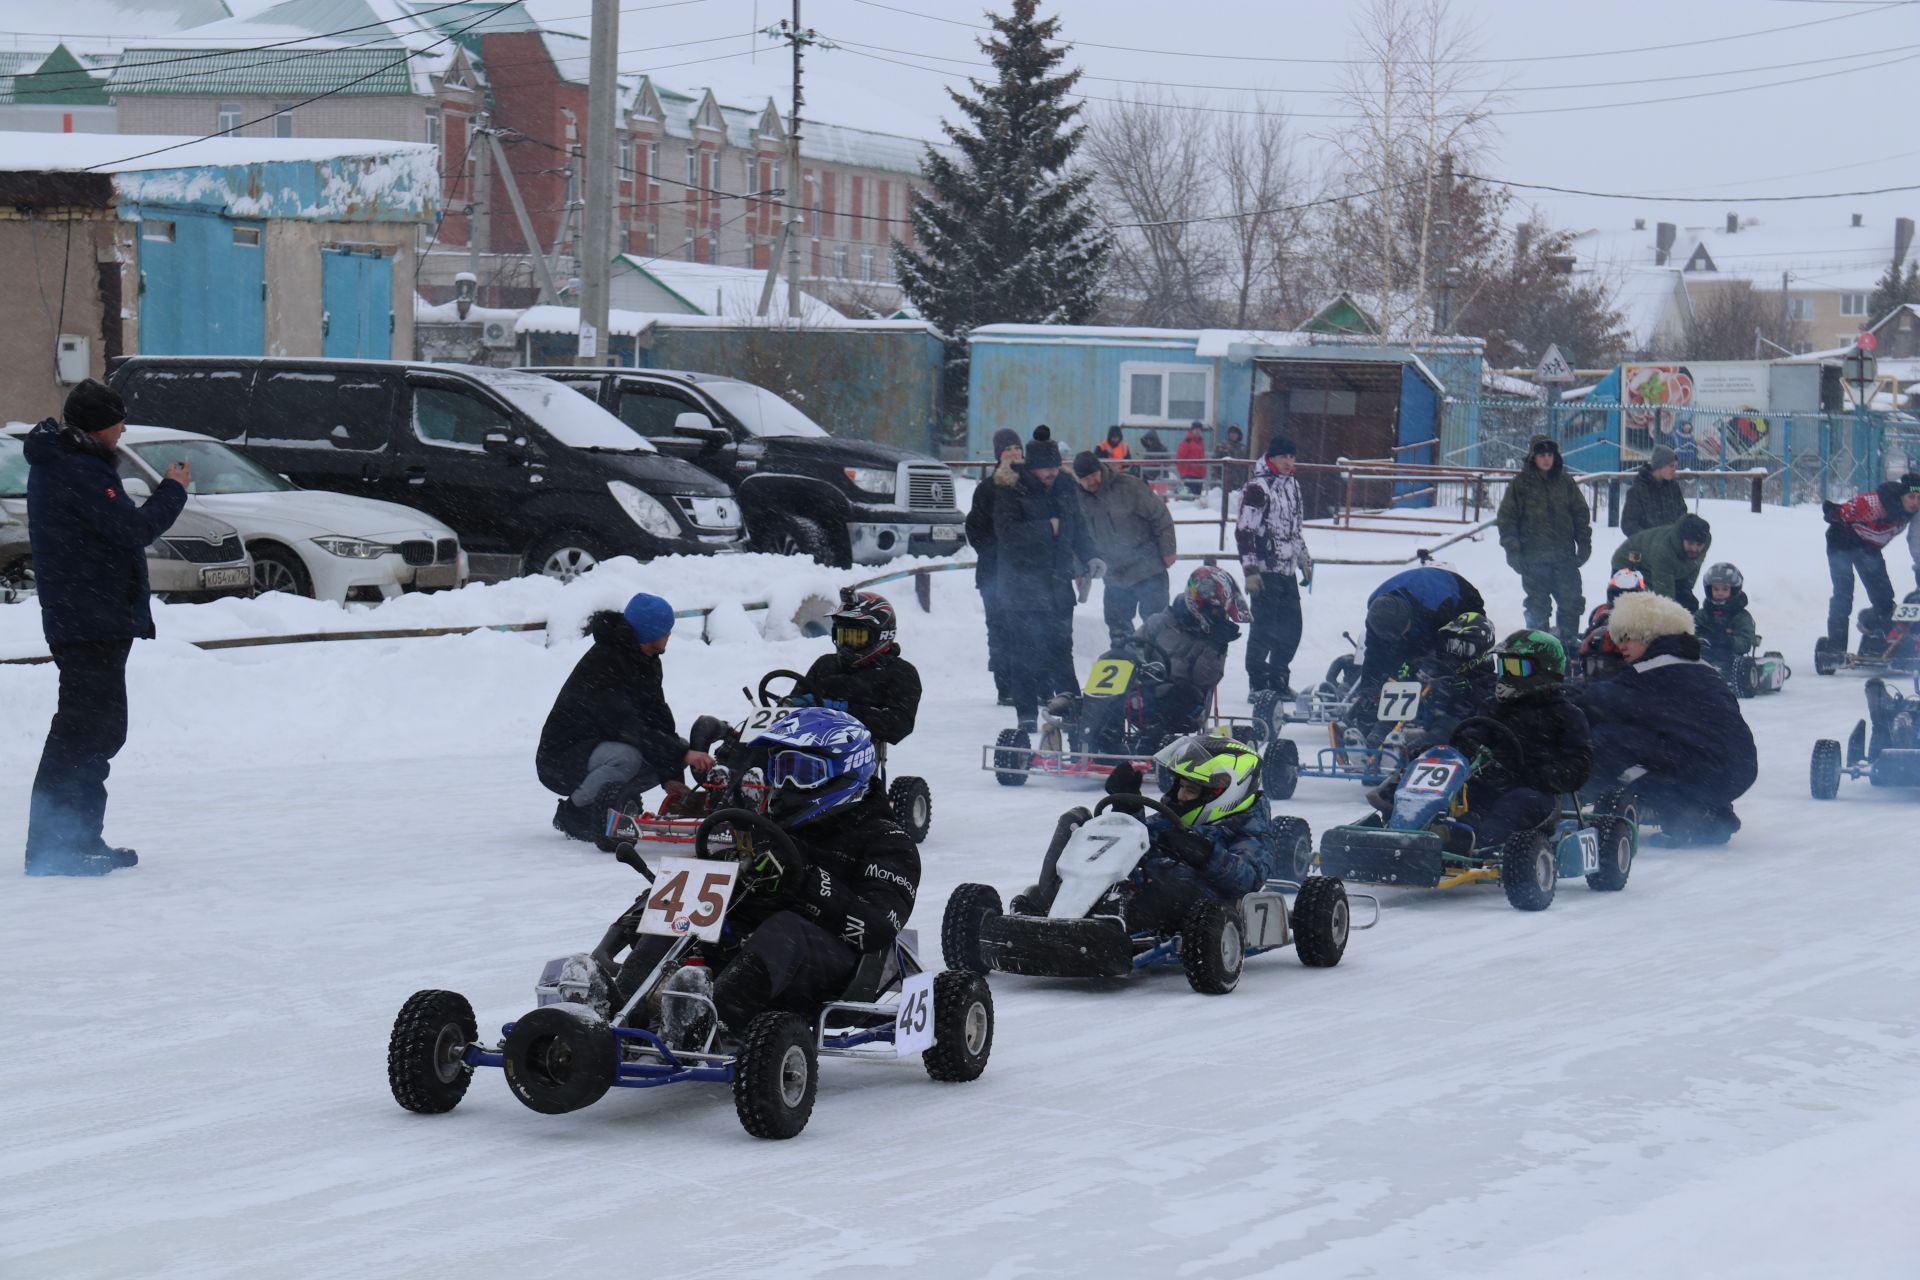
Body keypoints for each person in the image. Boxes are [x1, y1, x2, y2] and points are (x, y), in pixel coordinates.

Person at [22, 379, 191, 876]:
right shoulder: (77, 470)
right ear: (98, 426)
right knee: (84, 735)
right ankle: (58, 848)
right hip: (88, 620)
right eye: (118, 420)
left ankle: (76, 841)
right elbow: (132, 529)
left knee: (92, 732)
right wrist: (172, 490)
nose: (123, 429)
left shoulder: (68, 463)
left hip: (90, 618)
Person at [1023, 734, 1275, 931]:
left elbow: (1248, 879)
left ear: (1223, 794)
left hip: (1199, 903)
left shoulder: (1249, 830)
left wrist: (1204, 853)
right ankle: (1050, 900)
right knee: (1075, 820)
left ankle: (1107, 922)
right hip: (1137, 891)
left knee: (1159, 875)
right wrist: (1128, 806)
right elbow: (1139, 838)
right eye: (1180, 786)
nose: (1180, 795)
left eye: (1191, 790)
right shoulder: (1174, 816)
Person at [1574, 591, 1757, 845]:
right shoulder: (1695, 664)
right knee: (1646, 743)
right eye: (1619, 639)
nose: (1622, 646)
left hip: (1707, 768)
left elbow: (1597, 701)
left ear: (1649, 634)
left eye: (1628, 637)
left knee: (1606, 740)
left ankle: (1574, 800)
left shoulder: (1653, 670)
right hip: (1734, 769)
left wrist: (1553, 698)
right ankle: (1706, 815)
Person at [538, 592, 715, 843]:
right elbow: (627, 727)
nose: (669, 635)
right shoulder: (605, 662)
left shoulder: (647, 659)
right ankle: (574, 813)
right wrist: (682, 753)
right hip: (560, 759)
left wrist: (671, 775)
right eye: (665, 630)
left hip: (602, 747)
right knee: (628, 757)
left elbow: (658, 718)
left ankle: (607, 806)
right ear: (650, 633)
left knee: (667, 750)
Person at [1434, 630, 1593, 850]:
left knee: (1515, 804)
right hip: (1489, 783)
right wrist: (1439, 756)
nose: (1506, 674)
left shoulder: (1566, 714)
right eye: (1503, 667)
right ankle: (1417, 830)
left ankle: (1473, 842)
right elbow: (1470, 740)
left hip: (1538, 793)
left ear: (1544, 671)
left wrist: (1532, 774)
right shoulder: (1493, 707)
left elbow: (1578, 765)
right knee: (1452, 794)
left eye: (1516, 668)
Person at [993, 437, 1093, 731]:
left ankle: (1072, 715)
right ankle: (1026, 717)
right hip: (1021, 588)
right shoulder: (1010, 490)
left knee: (1061, 650)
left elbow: (1079, 529)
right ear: (1033, 467)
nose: (1052, 472)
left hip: (1058, 587)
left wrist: (1092, 556)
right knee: (1024, 653)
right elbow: (1007, 534)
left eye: (1056, 466)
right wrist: (1046, 528)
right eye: (1046, 468)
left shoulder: (1065, 487)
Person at [1352, 565, 1485, 729]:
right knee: (1397, 660)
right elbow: (1374, 654)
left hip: (1457, 597)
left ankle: (1467, 707)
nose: (1400, 638)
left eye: (1402, 633)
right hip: (1417, 602)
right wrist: (1369, 689)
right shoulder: (1376, 616)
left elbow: (1447, 653)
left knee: (1461, 662)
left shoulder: (1439, 608)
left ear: (1410, 619)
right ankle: (1391, 716)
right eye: (1394, 636)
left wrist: (1441, 676)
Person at [1234, 434, 1313, 702]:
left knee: (1292, 627)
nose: (1289, 462)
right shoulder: (1258, 488)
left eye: (1292, 457)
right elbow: (1244, 532)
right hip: (1265, 571)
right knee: (1264, 630)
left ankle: (1279, 679)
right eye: (1283, 457)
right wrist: (1251, 571)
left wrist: (1304, 558)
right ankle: (1258, 683)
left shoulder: (1293, 486)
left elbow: (1295, 529)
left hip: (1287, 570)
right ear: (1271, 458)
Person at [1131, 566, 1250, 742]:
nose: (1220, 617)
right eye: (1217, 611)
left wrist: (1216, 645)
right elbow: (1131, 649)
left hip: (1185, 705)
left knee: (1179, 693)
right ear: (1200, 603)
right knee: (1115, 690)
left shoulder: (1213, 639)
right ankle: (1093, 738)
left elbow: (1203, 679)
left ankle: (1153, 743)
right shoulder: (1159, 622)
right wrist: (1138, 665)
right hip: (1145, 691)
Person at [1072, 450, 1178, 645]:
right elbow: (1076, 539)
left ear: (1100, 470)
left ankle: (1159, 666)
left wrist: (1168, 549)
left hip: (1148, 567)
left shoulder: (1129, 487)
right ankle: (1124, 662)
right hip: (1114, 575)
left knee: (1157, 624)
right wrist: (1080, 571)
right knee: (1118, 627)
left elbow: (1160, 516)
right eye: (1085, 479)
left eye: (1093, 475)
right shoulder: (1078, 501)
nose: (1091, 481)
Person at [1495, 435, 1591, 642]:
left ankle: (1568, 647)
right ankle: (1540, 650)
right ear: (1533, 457)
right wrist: (1514, 551)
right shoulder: (1520, 485)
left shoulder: (1565, 482)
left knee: (1571, 603)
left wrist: (1584, 544)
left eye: (1550, 455)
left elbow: (1580, 514)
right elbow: (1507, 520)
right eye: (1541, 455)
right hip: (1533, 559)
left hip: (1564, 558)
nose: (1546, 459)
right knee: (1537, 608)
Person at [798, 590, 922, 747]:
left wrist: (842, 711)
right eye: (843, 637)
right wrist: (790, 704)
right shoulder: (825, 665)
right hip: (806, 747)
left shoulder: (900, 672)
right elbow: (791, 707)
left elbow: (898, 725)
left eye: (856, 638)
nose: (847, 646)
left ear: (881, 636)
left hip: (855, 757)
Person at [1822, 474, 1920, 654]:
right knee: (1843, 595)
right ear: (1901, 496)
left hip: (1868, 548)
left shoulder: (1911, 514)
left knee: (1883, 596)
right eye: (1911, 497)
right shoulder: (1875, 505)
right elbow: (1836, 512)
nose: (1915, 502)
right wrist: (1836, 513)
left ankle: (1879, 634)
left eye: (1919, 498)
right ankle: (1835, 648)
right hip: (1841, 544)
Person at [967, 428, 1023, 704]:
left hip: (1026, 575)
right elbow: (974, 530)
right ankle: (1005, 686)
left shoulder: (1031, 484)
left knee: (1026, 629)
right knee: (1000, 631)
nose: (1013, 453)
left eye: (1016, 447)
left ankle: (1029, 684)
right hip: (994, 574)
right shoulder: (987, 489)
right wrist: (996, 553)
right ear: (998, 455)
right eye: (1007, 449)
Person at [1411, 611, 1498, 742]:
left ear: (1482, 651)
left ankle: (1413, 752)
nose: (1457, 652)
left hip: (1453, 729)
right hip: (1416, 717)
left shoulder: (1490, 680)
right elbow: (1423, 667)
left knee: (1440, 731)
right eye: (1454, 645)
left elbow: (1493, 706)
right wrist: (1409, 673)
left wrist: (1471, 691)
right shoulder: (1438, 664)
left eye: (1464, 647)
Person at [1611, 513, 1712, 610]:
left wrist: (1685, 591)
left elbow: (1692, 569)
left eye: (1698, 545)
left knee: (1688, 603)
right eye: (1690, 543)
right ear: (1682, 539)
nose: (1694, 549)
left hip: (1654, 566)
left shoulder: (1701, 547)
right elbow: (1663, 591)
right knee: (1635, 602)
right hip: (1630, 560)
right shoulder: (1664, 550)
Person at [1577, 567, 1648, 681]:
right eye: (1617, 595)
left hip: (1634, 675)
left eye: (1629, 596)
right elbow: (1586, 643)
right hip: (1600, 673)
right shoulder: (1600, 612)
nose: (1622, 601)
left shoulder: (1649, 616)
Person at [1693, 562, 1757, 680]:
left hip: (1730, 657)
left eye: (1725, 589)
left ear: (1733, 590)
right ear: (1709, 590)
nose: (1720, 593)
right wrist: (1700, 639)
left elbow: (1745, 642)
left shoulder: (1741, 616)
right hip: (1704, 654)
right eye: (1716, 589)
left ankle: (1714, 677)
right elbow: (1690, 631)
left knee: (1722, 663)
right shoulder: (1702, 615)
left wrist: (1727, 640)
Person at [1621, 444, 1686, 537]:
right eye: (1671, 466)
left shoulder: (1673, 487)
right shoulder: (1638, 490)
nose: (1674, 469)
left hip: (1671, 546)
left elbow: (1682, 515)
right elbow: (1628, 524)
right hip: (1646, 548)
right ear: (1660, 466)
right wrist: (1649, 539)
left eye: (1675, 466)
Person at [1175, 422, 1209, 498]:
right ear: (1192, 430)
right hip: (1189, 474)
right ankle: (1179, 502)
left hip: (1199, 475)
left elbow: (1202, 457)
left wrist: (1203, 472)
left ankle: (1180, 500)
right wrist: (1183, 472)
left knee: (1196, 497)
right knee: (1186, 496)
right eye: (1196, 429)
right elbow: (1180, 458)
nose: (1198, 431)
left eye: (1199, 429)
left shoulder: (1201, 443)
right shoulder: (1187, 442)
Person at [1215, 424, 1250, 491]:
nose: (1233, 435)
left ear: (1239, 435)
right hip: (1225, 480)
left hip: (1240, 481)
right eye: (1231, 432)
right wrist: (1217, 478)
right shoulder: (1221, 446)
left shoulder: (1243, 448)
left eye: (1235, 433)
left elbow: (1246, 466)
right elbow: (1215, 463)